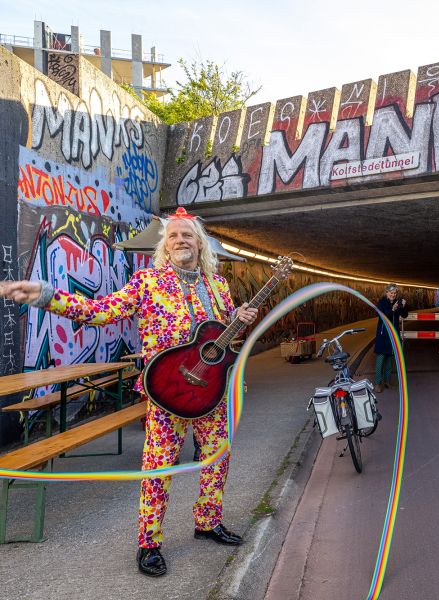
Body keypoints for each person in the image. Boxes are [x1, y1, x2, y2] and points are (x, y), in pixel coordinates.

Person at [0, 207, 258, 577]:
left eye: (187, 235)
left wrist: (240, 320)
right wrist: (45, 296)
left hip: (213, 393)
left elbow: (226, 338)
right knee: (158, 468)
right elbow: (98, 311)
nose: (180, 240)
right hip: (166, 390)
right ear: (165, 247)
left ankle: (208, 521)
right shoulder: (147, 282)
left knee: (217, 460)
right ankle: (149, 544)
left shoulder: (218, 286)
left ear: (199, 244)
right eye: (174, 236)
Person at [373, 284, 407, 393]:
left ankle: (387, 381)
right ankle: (377, 383)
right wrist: (392, 309)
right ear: (386, 292)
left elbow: (404, 315)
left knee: (390, 359)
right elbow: (383, 315)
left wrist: (404, 306)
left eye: (395, 293)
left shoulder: (397, 302)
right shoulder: (382, 302)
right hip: (383, 335)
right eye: (391, 293)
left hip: (394, 334)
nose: (393, 295)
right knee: (380, 359)